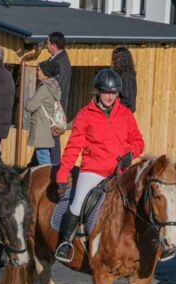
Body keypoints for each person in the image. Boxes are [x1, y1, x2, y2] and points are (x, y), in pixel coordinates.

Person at [53, 68, 144, 263]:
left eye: (114, 93)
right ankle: (65, 243)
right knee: (78, 203)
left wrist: (130, 154)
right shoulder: (85, 115)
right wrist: (62, 173)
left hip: (120, 171)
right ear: (98, 91)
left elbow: (138, 141)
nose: (110, 97)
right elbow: (73, 147)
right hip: (93, 170)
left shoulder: (126, 114)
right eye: (106, 92)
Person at [25, 59, 60, 166]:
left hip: (41, 126)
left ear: (45, 73)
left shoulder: (44, 89)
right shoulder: (54, 87)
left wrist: (27, 101)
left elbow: (30, 106)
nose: (37, 72)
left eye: (39, 70)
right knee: (42, 154)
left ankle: (47, 175)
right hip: (46, 126)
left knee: (43, 156)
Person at [45, 31, 70, 165]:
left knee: (53, 138)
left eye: (47, 43)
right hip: (50, 106)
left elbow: (60, 87)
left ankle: (55, 167)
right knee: (45, 137)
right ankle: (35, 165)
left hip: (55, 107)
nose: (46, 45)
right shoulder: (55, 59)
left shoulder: (61, 63)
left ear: (53, 45)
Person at [111, 46, 136, 113]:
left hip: (123, 113)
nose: (114, 61)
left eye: (116, 58)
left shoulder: (127, 78)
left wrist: (113, 103)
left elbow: (129, 101)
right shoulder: (121, 76)